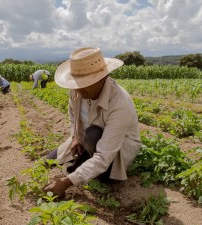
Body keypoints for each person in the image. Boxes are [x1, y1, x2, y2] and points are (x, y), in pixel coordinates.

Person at [44, 47, 142, 197]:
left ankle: (97, 173)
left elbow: (104, 157)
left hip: (114, 152)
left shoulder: (120, 104)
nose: (79, 88)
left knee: (92, 134)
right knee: (46, 162)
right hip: (86, 141)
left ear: (102, 78)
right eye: (77, 83)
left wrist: (65, 183)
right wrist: (75, 136)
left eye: (85, 83)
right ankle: (83, 159)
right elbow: (72, 113)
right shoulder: (77, 91)